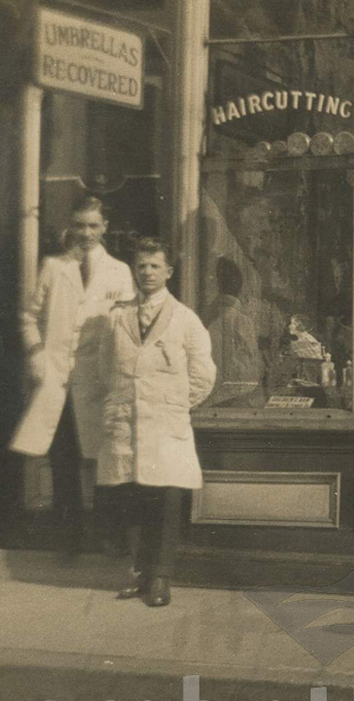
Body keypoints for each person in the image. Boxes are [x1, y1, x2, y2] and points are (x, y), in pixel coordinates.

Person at [9, 195, 135, 556]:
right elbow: (29, 316)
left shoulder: (119, 271)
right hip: (59, 380)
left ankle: (107, 534)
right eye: (80, 225)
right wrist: (36, 352)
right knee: (64, 457)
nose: (86, 233)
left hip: (97, 379)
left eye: (93, 225)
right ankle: (69, 535)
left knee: (101, 456)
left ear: (105, 227)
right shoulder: (53, 266)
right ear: (71, 225)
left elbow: (126, 325)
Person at [96, 239, 216, 607]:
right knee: (130, 496)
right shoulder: (117, 316)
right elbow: (105, 368)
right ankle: (137, 572)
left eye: (154, 266)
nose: (147, 272)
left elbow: (204, 374)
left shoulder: (185, 319)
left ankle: (161, 577)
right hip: (127, 423)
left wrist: (173, 404)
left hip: (166, 426)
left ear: (169, 272)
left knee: (164, 500)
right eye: (142, 266)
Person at [203, 257, 264, 407]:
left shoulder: (209, 319)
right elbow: (252, 371)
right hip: (232, 402)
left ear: (215, 285)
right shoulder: (239, 320)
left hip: (218, 403)